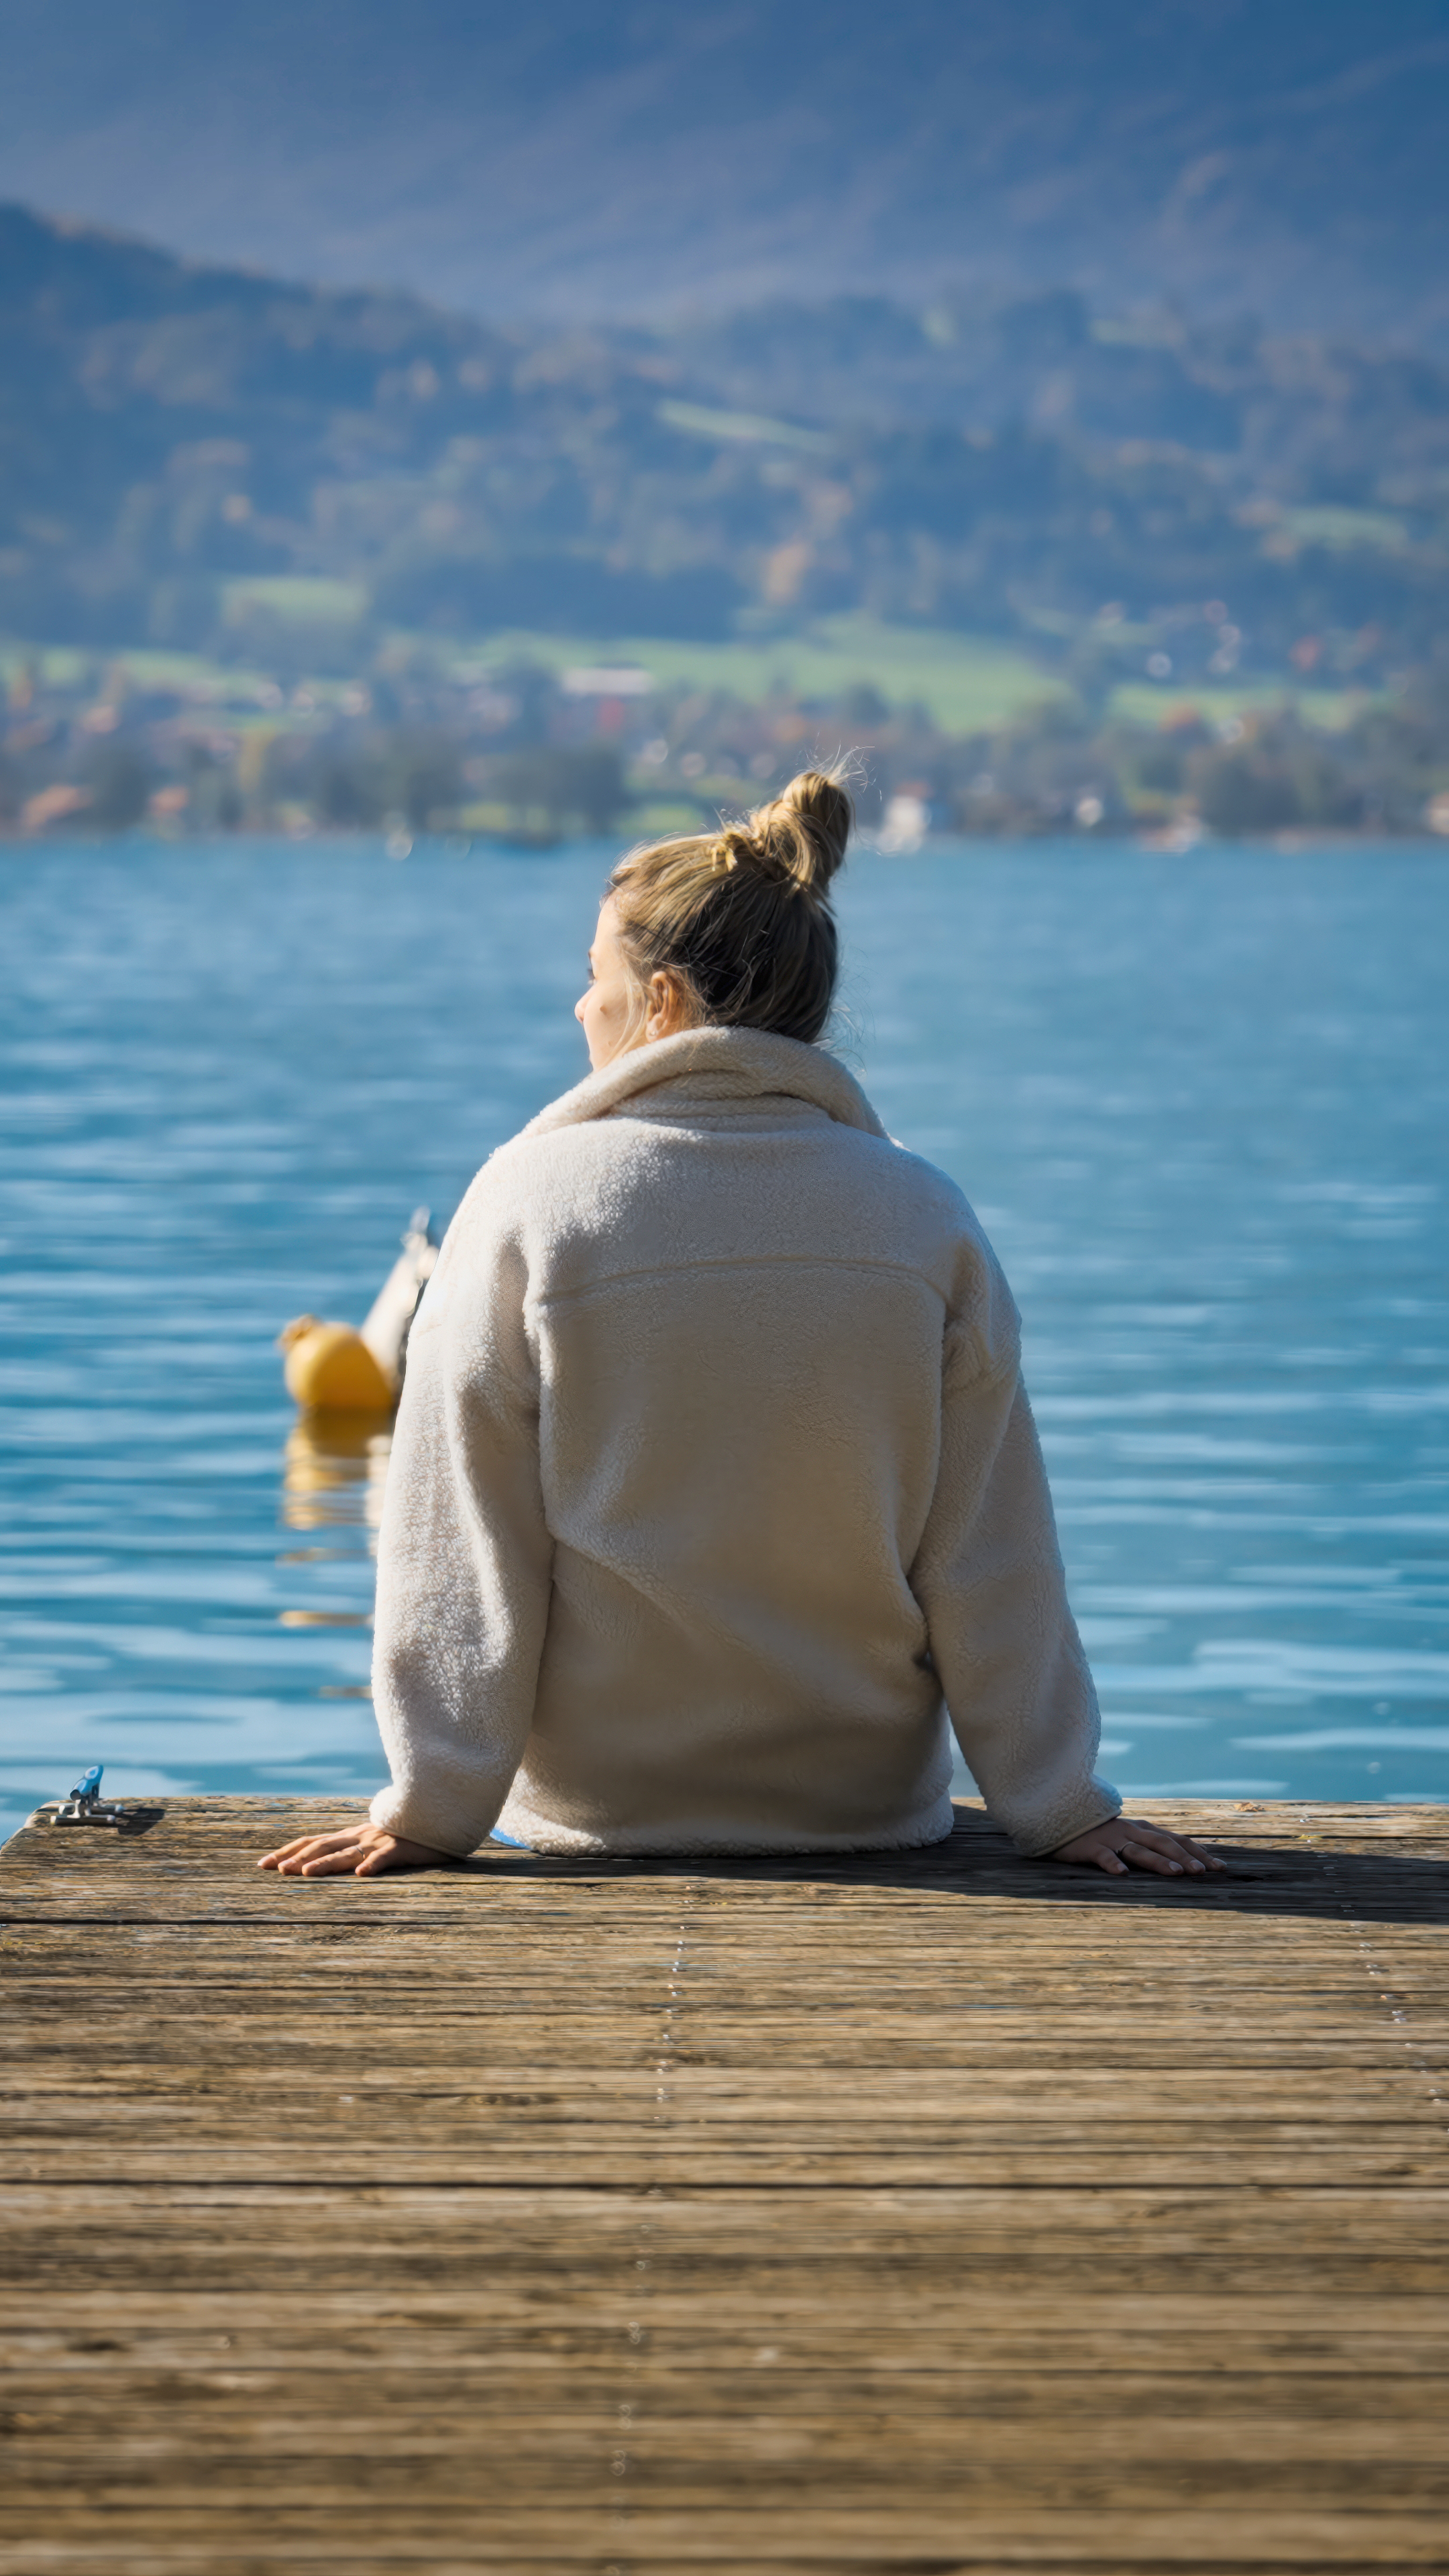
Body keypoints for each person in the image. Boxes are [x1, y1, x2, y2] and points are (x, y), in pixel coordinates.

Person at [262, 771, 1220, 1886]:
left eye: (593, 978)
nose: (581, 1009)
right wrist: (1058, 1804)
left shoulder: (526, 1203)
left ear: (661, 1002)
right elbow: (992, 1551)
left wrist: (432, 1806)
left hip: (603, 1812)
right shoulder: (922, 1215)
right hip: (861, 1805)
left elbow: (461, 1542)